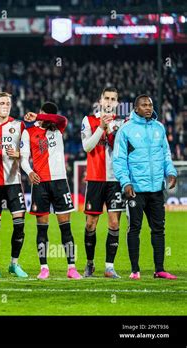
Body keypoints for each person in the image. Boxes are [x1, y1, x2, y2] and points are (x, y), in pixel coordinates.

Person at [113, 94, 177, 280]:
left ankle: (159, 269)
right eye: (144, 105)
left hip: (157, 189)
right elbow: (119, 160)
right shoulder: (126, 130)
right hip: (136, 190)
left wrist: (170, 171)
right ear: (136, 108)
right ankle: (135, 270)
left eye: (150, 104)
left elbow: (166, 154)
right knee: (134, 228)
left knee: (158, 229)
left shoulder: (159, 128)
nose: (148, 107)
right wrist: (125, 182)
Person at [21, 102, 82, 280]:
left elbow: (61, 118)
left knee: (66, 228)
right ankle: (44, 267)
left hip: (60, 182)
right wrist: (29, 172)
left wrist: (39, 117)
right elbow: (24, 158)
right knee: (42, 229)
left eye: (47, 116)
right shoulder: (28, 132)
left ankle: (71, 267)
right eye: (43, 114)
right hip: (40, 183)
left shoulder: (58, 129)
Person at [80, 87, 126, 278]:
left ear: (117, 103)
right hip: (96, 178)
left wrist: (111, 132)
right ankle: (90, 263)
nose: (109, 101)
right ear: (100, 100)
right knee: (91, 223)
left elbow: (124, 149)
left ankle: (109, 266)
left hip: (115, 179)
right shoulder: (88, 120)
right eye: (106, 98)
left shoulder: (123, 123)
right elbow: (87, 146)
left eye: (113, 99)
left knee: (114, 223)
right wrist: (101, 127)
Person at [0, 92, 27, 278]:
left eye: (8, 103)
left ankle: (14, 264)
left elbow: (27, 152)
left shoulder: (19, 126)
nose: (6, 105)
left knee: (19, 225)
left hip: (13, 183)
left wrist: (19, 154)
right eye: (2, 103)